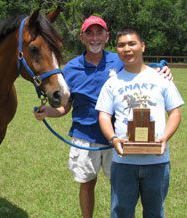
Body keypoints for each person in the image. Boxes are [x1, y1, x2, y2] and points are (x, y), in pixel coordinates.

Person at [34, 16, 172, 218]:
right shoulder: (71, 69)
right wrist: (49, 112)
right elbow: (66, 107)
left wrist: (162, 68)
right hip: (84, 138)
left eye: (99, 32)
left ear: (107, 37)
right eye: (89, 33)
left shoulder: (120, 60)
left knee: (121, 188)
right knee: (87, 185)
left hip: (117, 139)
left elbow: (143, 70)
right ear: (82, 37)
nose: (94, 38)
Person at [95, 27, 184, 218]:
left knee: (154, 212)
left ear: (142, 46)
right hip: (123, 162)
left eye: (131, 43)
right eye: (121, 45)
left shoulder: (161, 78)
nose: (126, 49)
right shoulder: (112, 83)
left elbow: (175, 112)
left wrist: (164, 138)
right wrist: (113, 138)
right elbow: (103, 115)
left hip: (157, 162)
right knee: (121, 212)